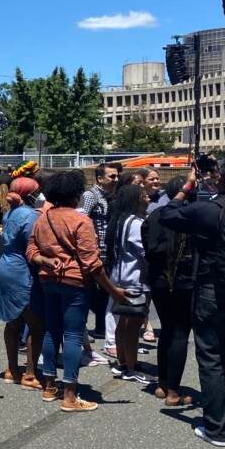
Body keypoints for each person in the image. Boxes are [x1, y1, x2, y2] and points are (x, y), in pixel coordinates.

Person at [156, 155, 225, 448]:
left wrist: (188, 185)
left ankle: (216, 428)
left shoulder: (208, 209)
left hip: (212, 292)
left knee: (211, 359)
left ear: (219, 179)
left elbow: (167, 214)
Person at [27, 171, 126, 412]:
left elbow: (30, 250)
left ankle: (50, 386)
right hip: (74, 283)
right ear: (75, 194)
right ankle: (70, 394)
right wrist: (113, 290)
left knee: (51, 331)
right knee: (72, 335)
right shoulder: (81, 221)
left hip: (48, 280)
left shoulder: (42, 218)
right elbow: (92, 263)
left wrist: (45, 260)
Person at [144, 176, 193, 407]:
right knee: (180, 333)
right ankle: (174, 390)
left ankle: (162, 384)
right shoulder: (191, 216)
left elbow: (147, 245)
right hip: (182, 281)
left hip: (158, 280)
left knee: (167, 330)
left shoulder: (155, 215)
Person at [0, 177, 45, 389]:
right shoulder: (30, 215)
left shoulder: (9, 212)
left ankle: (12, 369)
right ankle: (30, 374)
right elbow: (34, 243)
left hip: (5, 266)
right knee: (35, 323)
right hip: (22, 268)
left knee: (12, 321)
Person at [105, 182, 153, 384]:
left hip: (118, 277)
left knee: (122, 323)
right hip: (134, 278)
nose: (146, 196)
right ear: (135, 199)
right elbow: (144, 250)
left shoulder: (118, 221)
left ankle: (122, 362)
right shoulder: (135, 223)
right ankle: (131, 367)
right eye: (142, 194)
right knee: (132, 325)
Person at [80, 163, 118, 357]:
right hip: (94, 252)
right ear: (99, 178)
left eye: (116, 176)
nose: (115, 179)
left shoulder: (110, 196)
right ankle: (82, 329)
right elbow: (82, 219)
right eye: (111, 176)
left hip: (107, 251)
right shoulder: (90, 196)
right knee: (87, 291)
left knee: (103, 292)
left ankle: (101, 327)